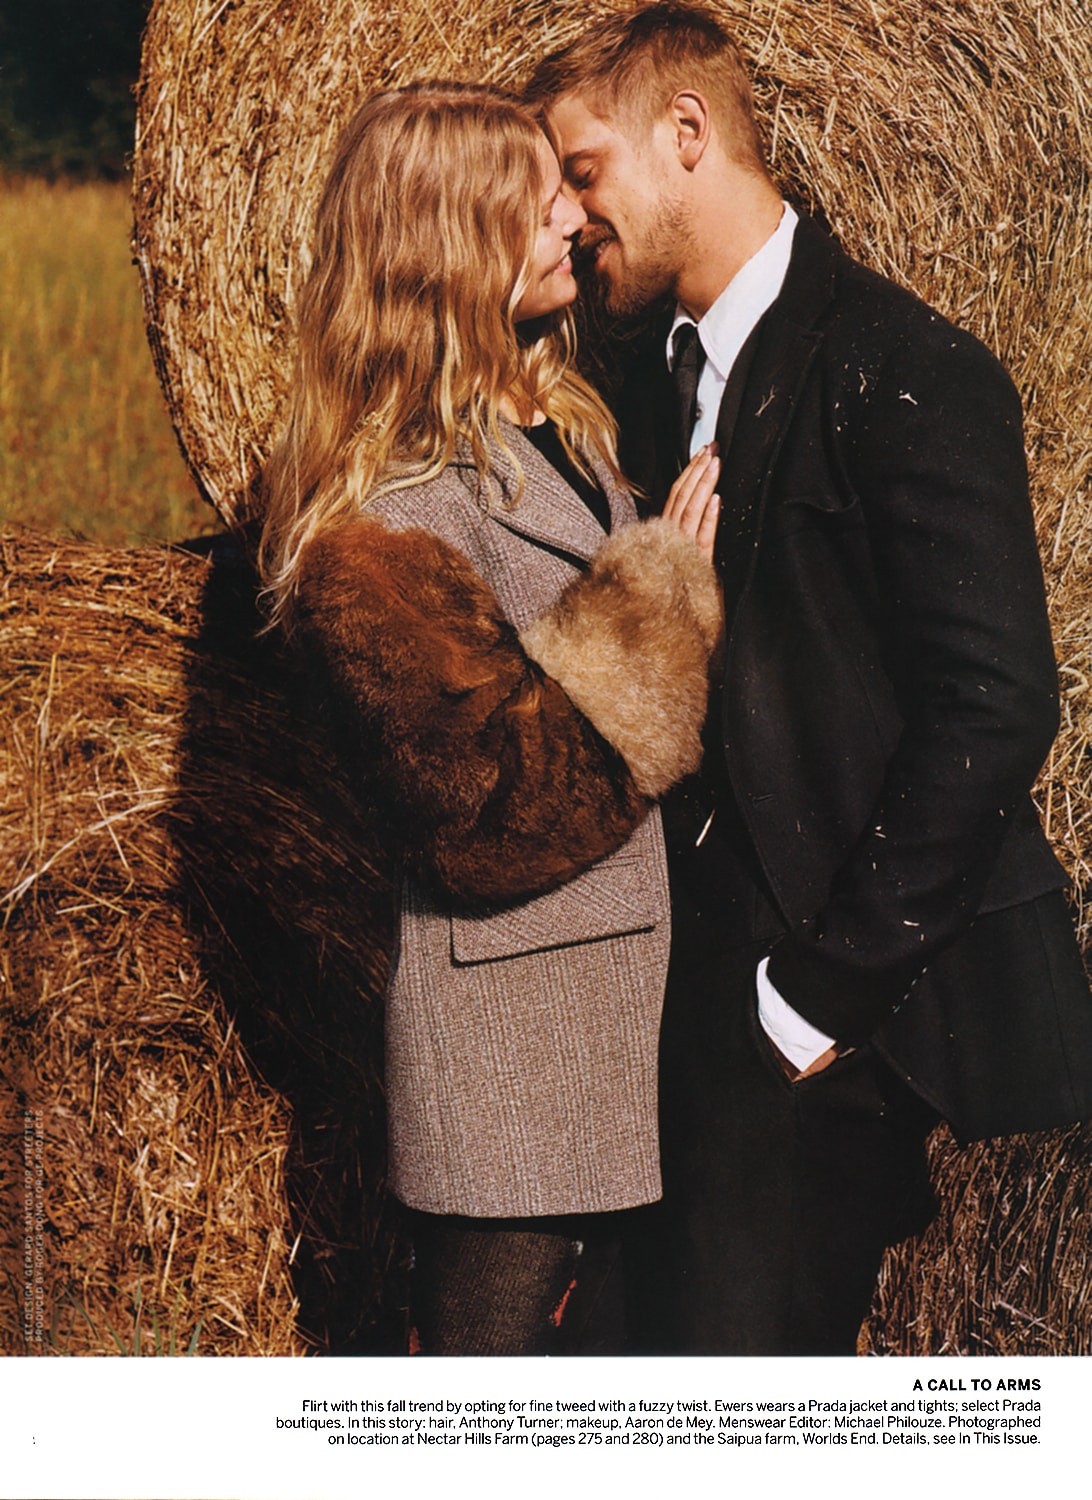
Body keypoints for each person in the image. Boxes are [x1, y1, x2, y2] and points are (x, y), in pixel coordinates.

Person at [526, 1, 1092, 1355]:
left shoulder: (905, 367)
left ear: (687, 133)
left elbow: (997, 702)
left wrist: (812, 1003)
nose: (570, 217)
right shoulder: (647, 384)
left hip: (818, 1015)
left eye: (584, 172)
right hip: (689, 1009)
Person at [257, 80, 724, 1355]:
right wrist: (661, 602)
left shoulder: (558, 424)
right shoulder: (379, 520)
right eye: (536, 203)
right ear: (448, 243)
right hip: (516, 1050)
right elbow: (483, 811)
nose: (573, 218)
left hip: (628, 1012)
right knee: (485, 1407)